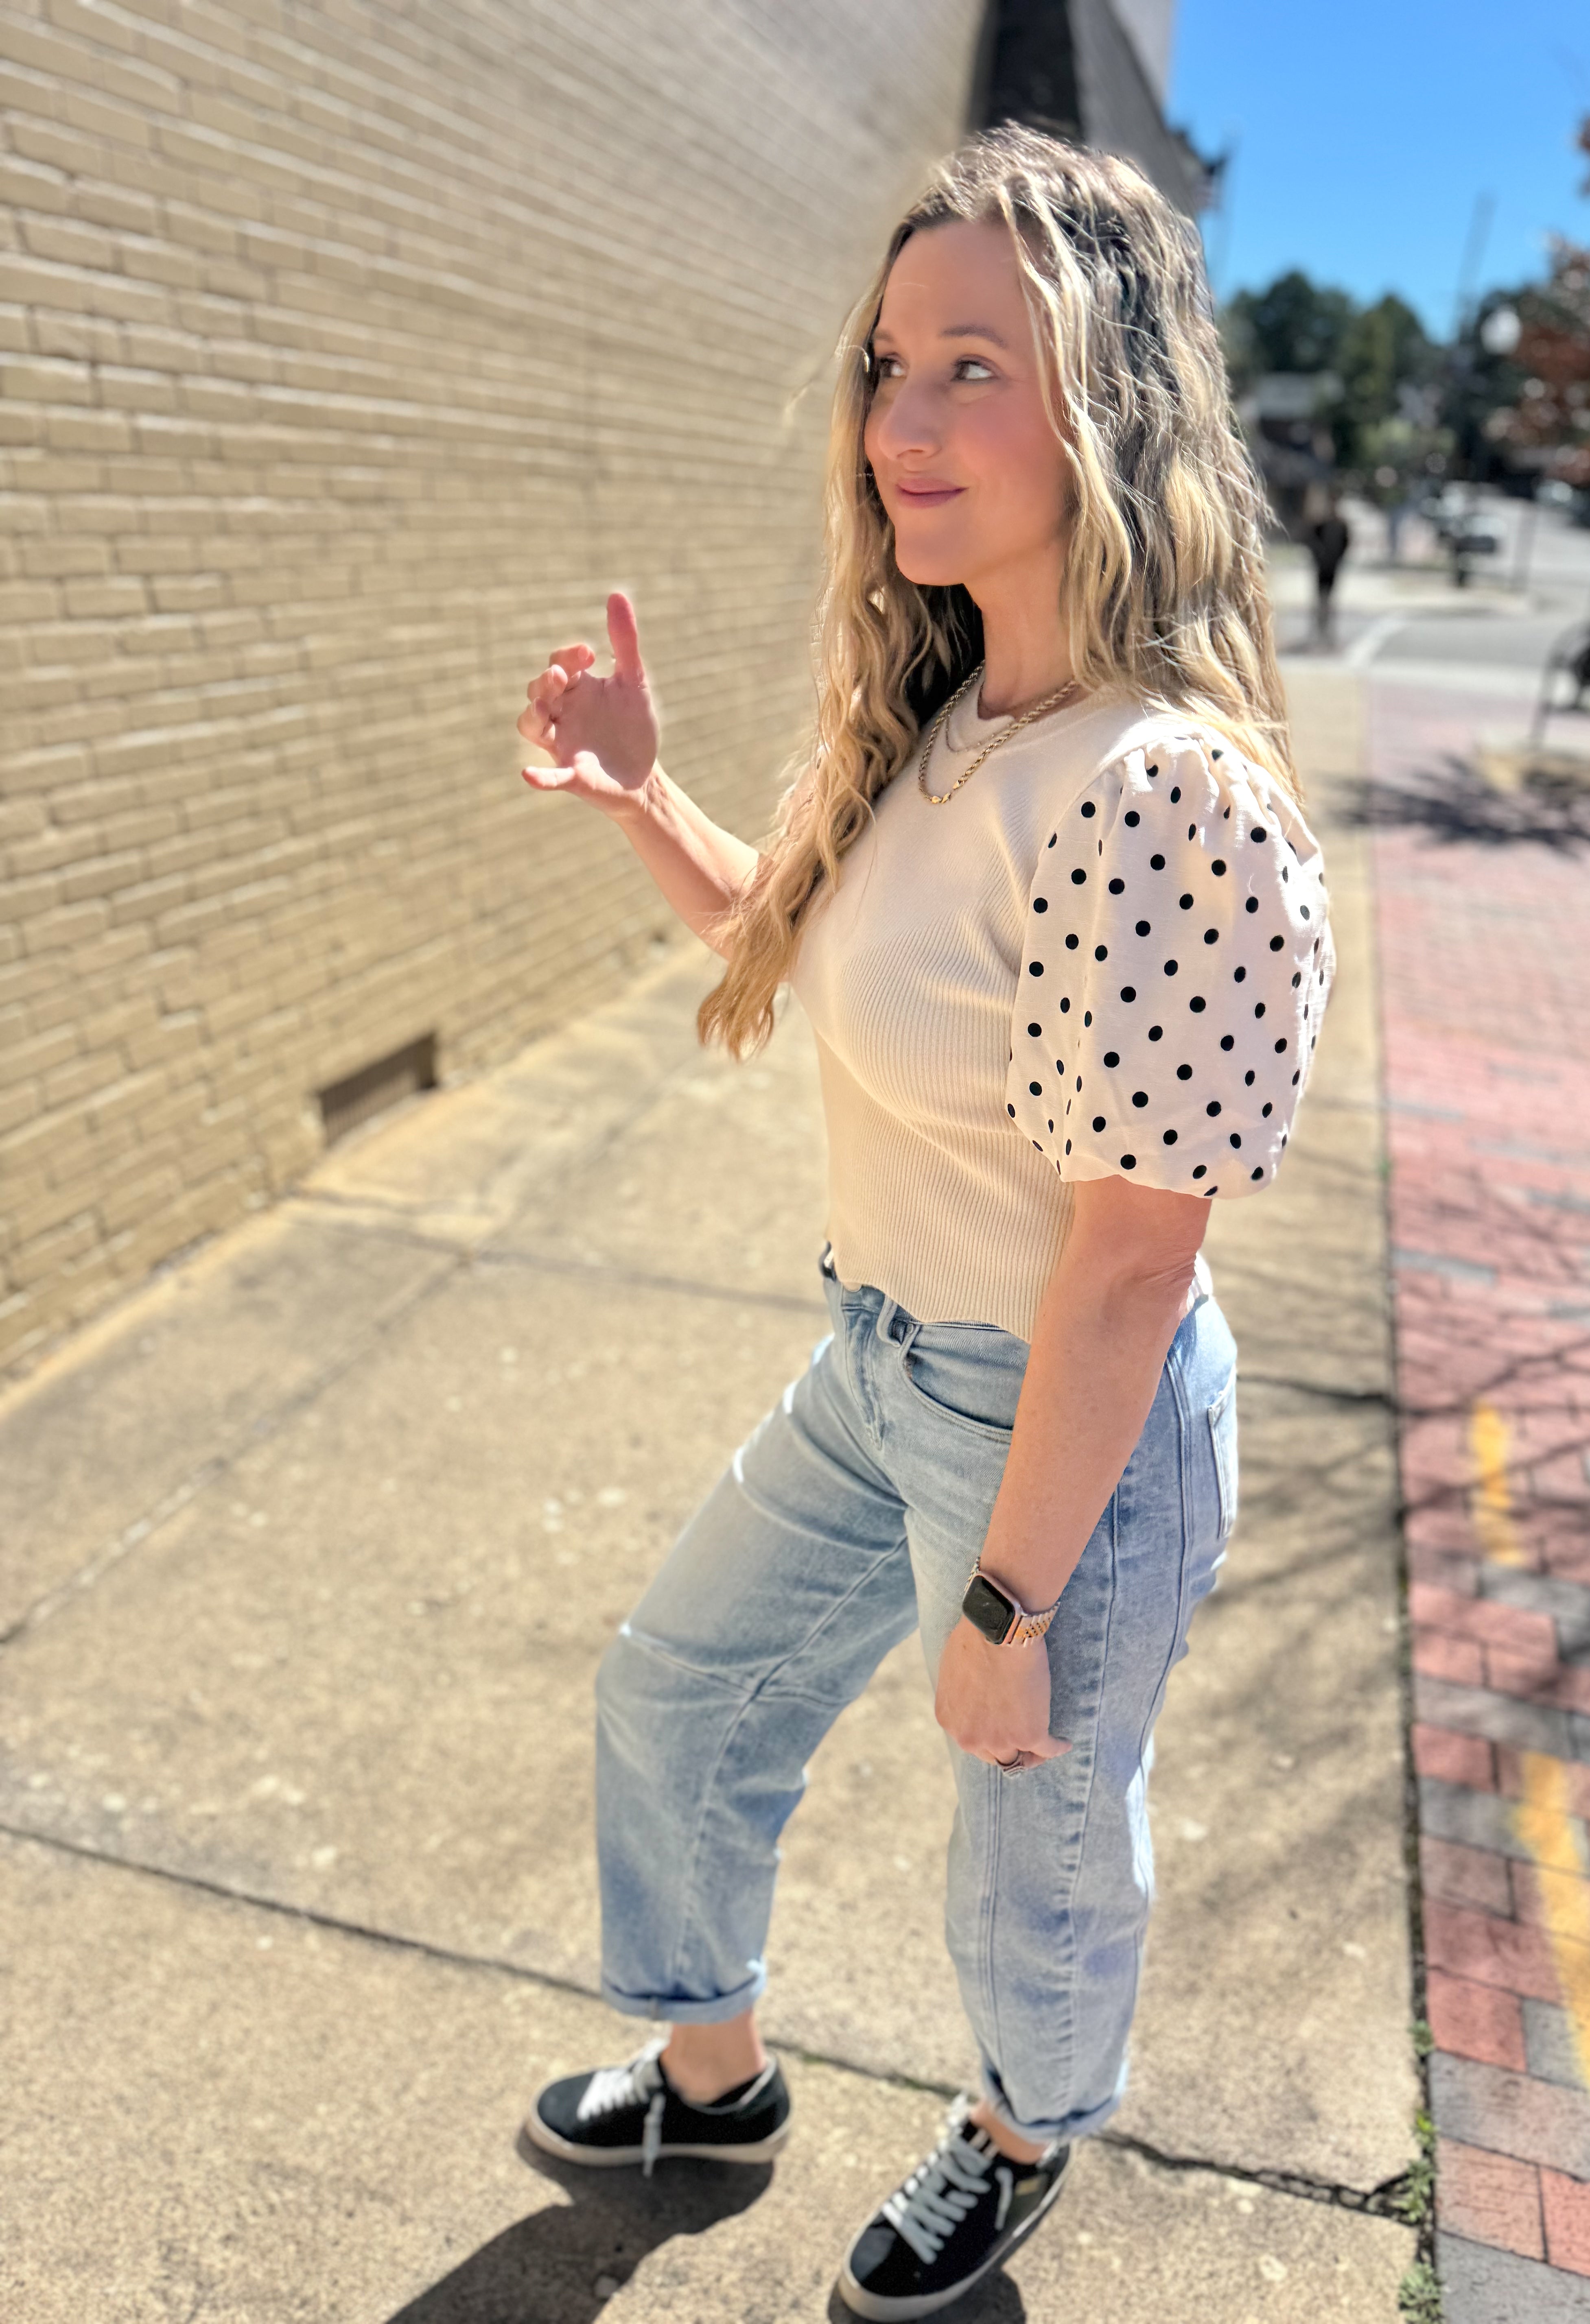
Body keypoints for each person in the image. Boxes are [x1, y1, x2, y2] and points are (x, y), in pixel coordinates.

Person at [512, 126, 1335, 2320]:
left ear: (1109, 401)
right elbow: (779, 939)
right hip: (882, 1363)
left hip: (1057, 1424)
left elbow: (1131, 1262)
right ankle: (713, 2080)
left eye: (975, 363)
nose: (902, 417)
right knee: (680, 1694)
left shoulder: (1161, 794)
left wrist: (1005, 1598)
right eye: (892, 362)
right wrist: (638, 794)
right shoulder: (949, 709)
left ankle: (1020, 2130)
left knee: (1031, 1843)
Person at [1303, 482, 1351, 649]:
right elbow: (1311, 542)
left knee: (1329, 601)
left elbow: (1346, 544)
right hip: (1322, 566)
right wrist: (1319, 557)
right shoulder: (1320, 524)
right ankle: (1318, 633)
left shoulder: (1341, 524)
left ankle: (1328, 635)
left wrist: (1337, 558)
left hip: (1333, 566)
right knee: (1320, 600)